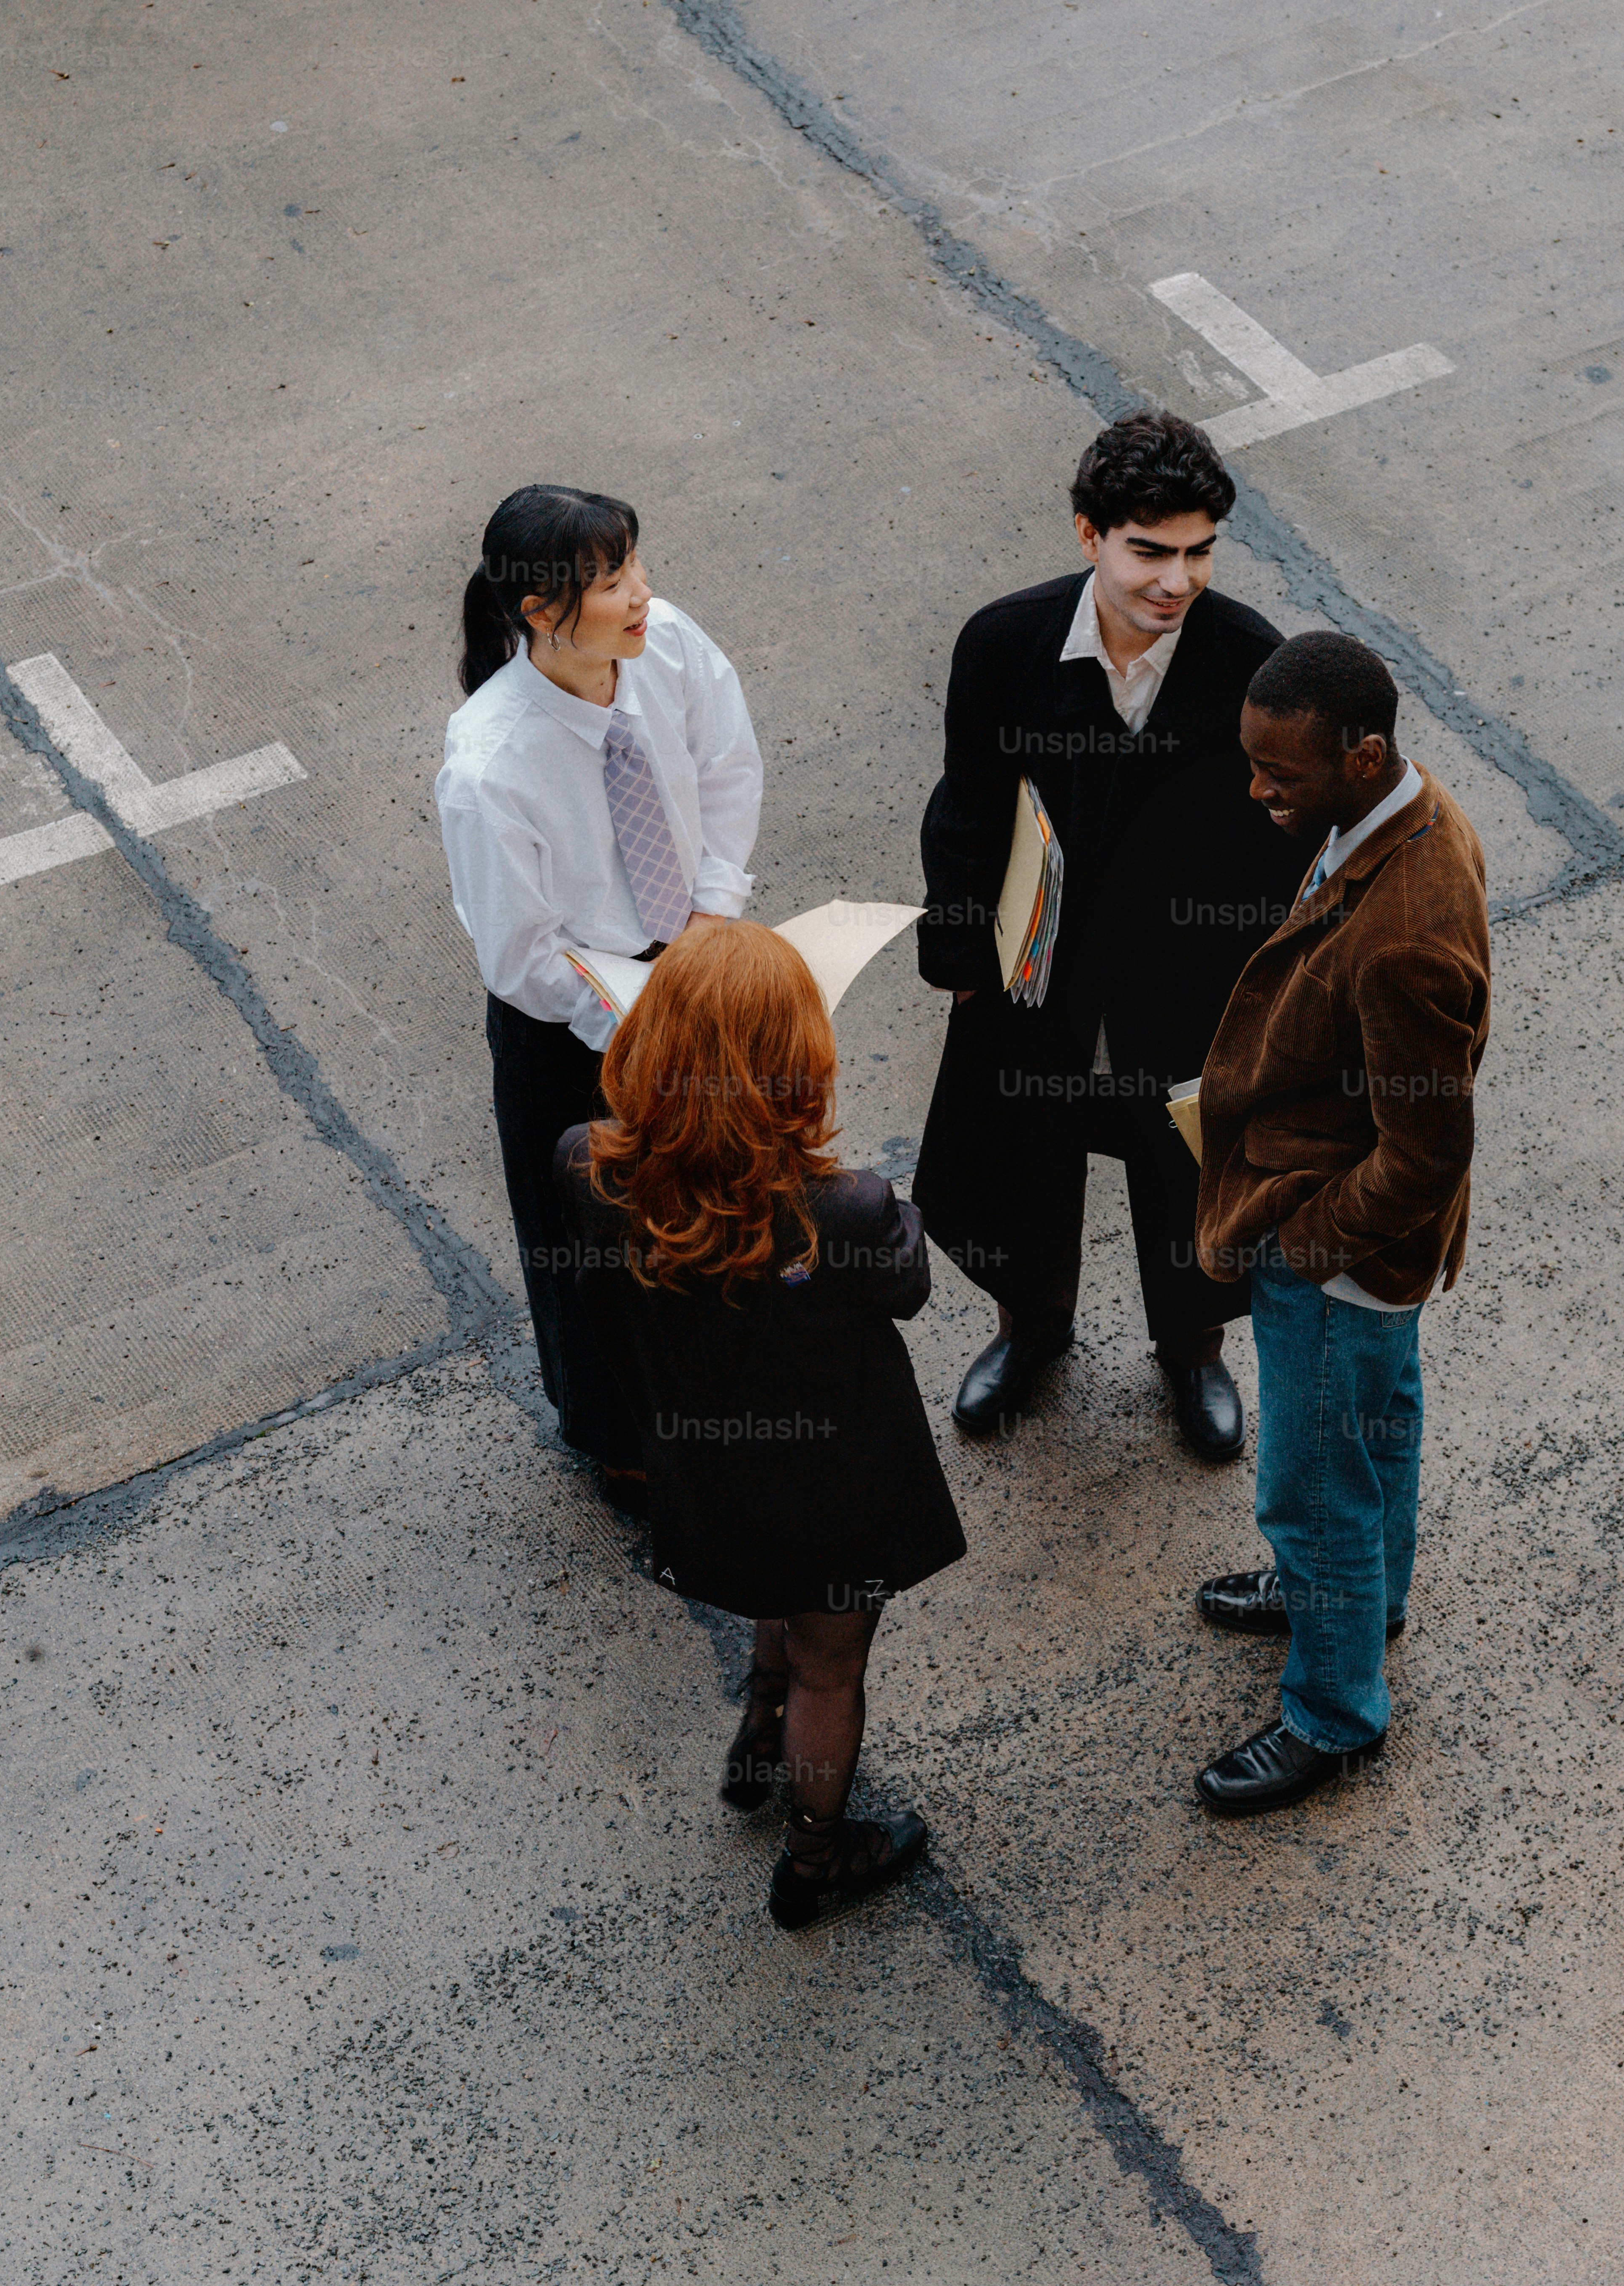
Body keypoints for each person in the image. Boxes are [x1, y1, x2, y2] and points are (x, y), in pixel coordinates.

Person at [912, 410, 1305, 1461]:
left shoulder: (1247, 663)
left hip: (1185, 989)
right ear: (1088, 535)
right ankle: (1029, 1334)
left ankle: (1193, 1352)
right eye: (1150, 552)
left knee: (1185, 1176)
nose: (1176, 581)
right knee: (1022, 1162)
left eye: (1198, 552)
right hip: (1038, 979)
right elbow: (966, 808)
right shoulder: (1005, 643)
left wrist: (1256, 1002)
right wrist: (960, 970)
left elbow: (1282, 848)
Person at [557, 921, 962, 1928]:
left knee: (767, 1594)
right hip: (838, 1484)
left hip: (708, 1473)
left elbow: (603, 1318)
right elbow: (907, 1291)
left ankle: (758, 1731)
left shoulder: (589, 1171)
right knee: (835, 1662)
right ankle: (815, 1861)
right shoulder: (847, 1209)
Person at [1185, 632, 1491, 1815]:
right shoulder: (1398, 820)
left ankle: (1334, 1708)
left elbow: (1426, 1148)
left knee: (1319, 1485)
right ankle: (1362, 1602)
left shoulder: (1404, 926)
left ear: (1364, 758)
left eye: (1283, 773)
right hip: (1357, 1248)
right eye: (1254, 764)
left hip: (1340, 1254)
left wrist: (1305, 1244)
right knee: (1377, 1438)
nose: (1260, 791)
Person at [435, 484, 763, 1502]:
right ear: (539, 611)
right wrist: (643, 1018)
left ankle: (723, 1395)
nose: (642, 596)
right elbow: (522, 954)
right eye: (614, 579)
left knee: (714, 1197)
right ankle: (617, 1436)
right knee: (585, 1240)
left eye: (637, 567)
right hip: (573, 1023)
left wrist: (708, 921)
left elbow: (726, 769)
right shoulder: (489, 766)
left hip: (691, 960)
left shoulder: (665, 646)